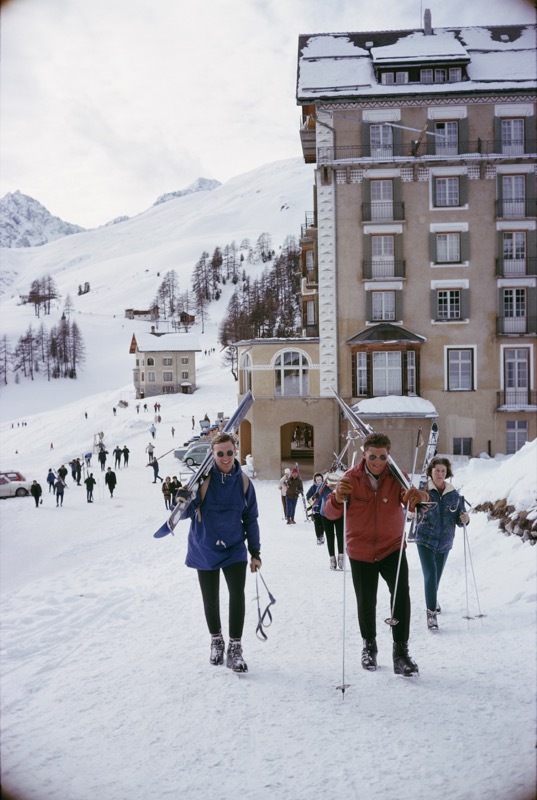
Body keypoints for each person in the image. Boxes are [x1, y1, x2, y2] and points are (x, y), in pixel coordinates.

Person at [324, 432, 428, 677]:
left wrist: (418, 498)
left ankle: (400, 653)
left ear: (388, 455)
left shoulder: (396, 477)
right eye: (373, 457)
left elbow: (417, 502)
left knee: (400, 596)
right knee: (366, 601)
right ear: (364, 454)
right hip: (360, 550)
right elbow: (329, 513)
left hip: (392, 548)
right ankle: (369, 646)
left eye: (382, 457)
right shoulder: (350, 478)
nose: (378, 462)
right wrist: (338, 497)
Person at [179, 433, 261, 673]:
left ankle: (235, 648)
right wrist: (183, 499)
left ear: (235, 451)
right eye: (220, 453)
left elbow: (251, 519)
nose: (225, 458)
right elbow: (184, 514)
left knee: (237, 595)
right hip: (204, 546)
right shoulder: (202, 480)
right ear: (212, 455)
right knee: (210, 597)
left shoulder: (244, 483)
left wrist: (255, 552)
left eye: (229, 452)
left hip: (234, 547)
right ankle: (216, 640)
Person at [414, 457, 469, 631]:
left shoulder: (454, 494)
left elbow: (461, 520)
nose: (440, 474)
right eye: (437, 470)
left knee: (436, 577)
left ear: (447, 473)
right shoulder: (423, 492)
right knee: (430, 574)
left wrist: (465, 519)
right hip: (425, 540)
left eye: (443, 471)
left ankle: (433, 598)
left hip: (445, 543)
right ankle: (431, 614)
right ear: (431, 471)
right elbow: (410, 511)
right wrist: (410, 511)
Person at [319, 477, 345, 570]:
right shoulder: (323, 488)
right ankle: (332, 559)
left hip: (339, 515)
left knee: (340, 536)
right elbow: (317, 495)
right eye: (331, 485)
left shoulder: (340, 489)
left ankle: (341, 558)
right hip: (326, 515)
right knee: (330, 537)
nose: (333, 487)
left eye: (335, 485)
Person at [306, 473, 325, 545]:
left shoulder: (324, 487)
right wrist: (312, 499)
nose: (319, 481)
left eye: (320, 479)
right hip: (315, 509)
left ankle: (322, 535)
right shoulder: (313, 488)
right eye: (317, 480)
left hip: (323, 509)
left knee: (323, 523)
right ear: (315, 480)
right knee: (317, 524)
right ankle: (318, 537)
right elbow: (308, 497)